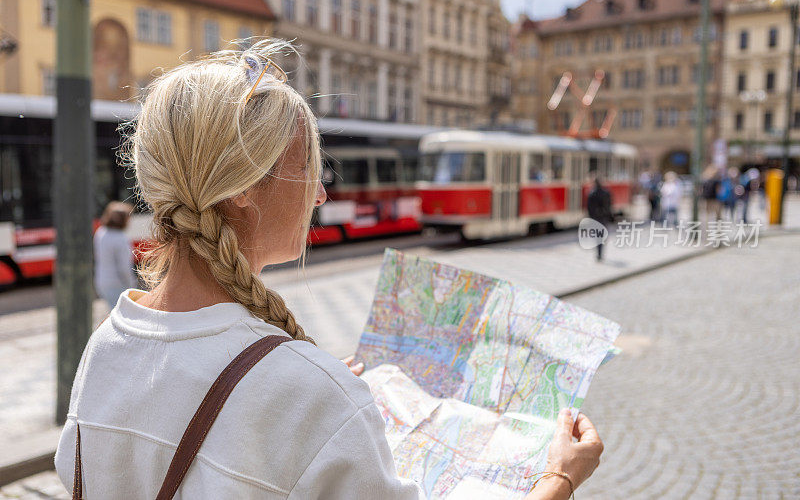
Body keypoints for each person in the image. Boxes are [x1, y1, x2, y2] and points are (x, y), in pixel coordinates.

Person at [54, 40, 604, 499]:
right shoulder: (310, 395)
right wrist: (559, 477)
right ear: (245, 189)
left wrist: (314, 395)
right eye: (307, 169)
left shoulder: (106, 346)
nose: (319, 194)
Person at [93, 201, 137, 307]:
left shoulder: (101, 231)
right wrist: (132, 285)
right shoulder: (121, 238)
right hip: (117, 284)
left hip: (102, 281)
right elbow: (124, 268)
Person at [587, 176, 613, 261]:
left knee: (597, 236)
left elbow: (589, 208)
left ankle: (599, 254)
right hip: (604, 217)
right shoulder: (606, 193)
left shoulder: (591, 193)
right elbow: (609, 206)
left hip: (595, 218)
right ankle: (600, 253)